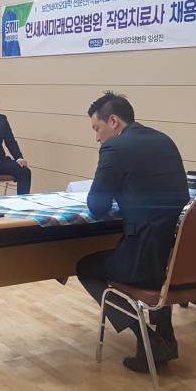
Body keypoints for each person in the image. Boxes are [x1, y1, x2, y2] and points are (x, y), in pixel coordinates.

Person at [75, 91, 189, 374]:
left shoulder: (115, 148)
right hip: (176, 260)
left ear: (114, 121)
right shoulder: (164, 140)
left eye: (97, 129)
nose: (97, 137)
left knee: (85, 267)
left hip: (143, 260)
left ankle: (147, 337)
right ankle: (165, 335)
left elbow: (97, 205)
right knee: (157, 258)